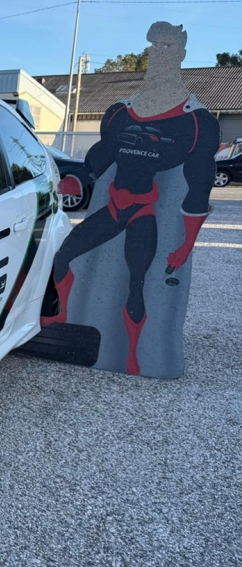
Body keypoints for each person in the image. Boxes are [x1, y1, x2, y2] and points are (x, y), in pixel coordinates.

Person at [43, 22, 220, 375]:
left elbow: (199, 187)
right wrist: (78, 178)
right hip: (112, 208)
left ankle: (135, 357)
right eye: (153, 46)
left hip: (143, 212)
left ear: (181, 54)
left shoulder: (196, 122)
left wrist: (185, 247)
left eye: (166, 47)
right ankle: (59, 318)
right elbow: (102, 153)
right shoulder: (120, 112)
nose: (157, 53)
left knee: (136, 284)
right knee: (63, 256)